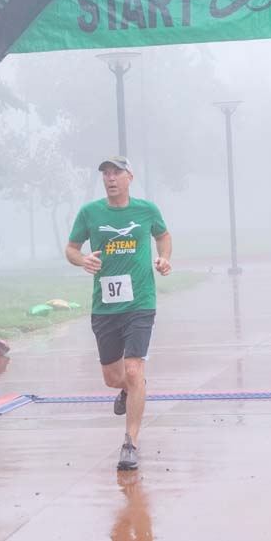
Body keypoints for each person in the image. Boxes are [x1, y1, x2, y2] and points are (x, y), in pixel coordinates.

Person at [65, 156, 172, 471]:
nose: (110, 178)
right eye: (106, 174)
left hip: (140, 302)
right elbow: (71, 248)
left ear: (130, 177)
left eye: (116, 173)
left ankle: (130, 442)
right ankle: (126, 390)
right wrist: (81, 259)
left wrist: (164, 259)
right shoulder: (90, 213)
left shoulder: (146, 210)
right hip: (105, 306)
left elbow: (163, 236)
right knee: (114, 378)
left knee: (135, 370)